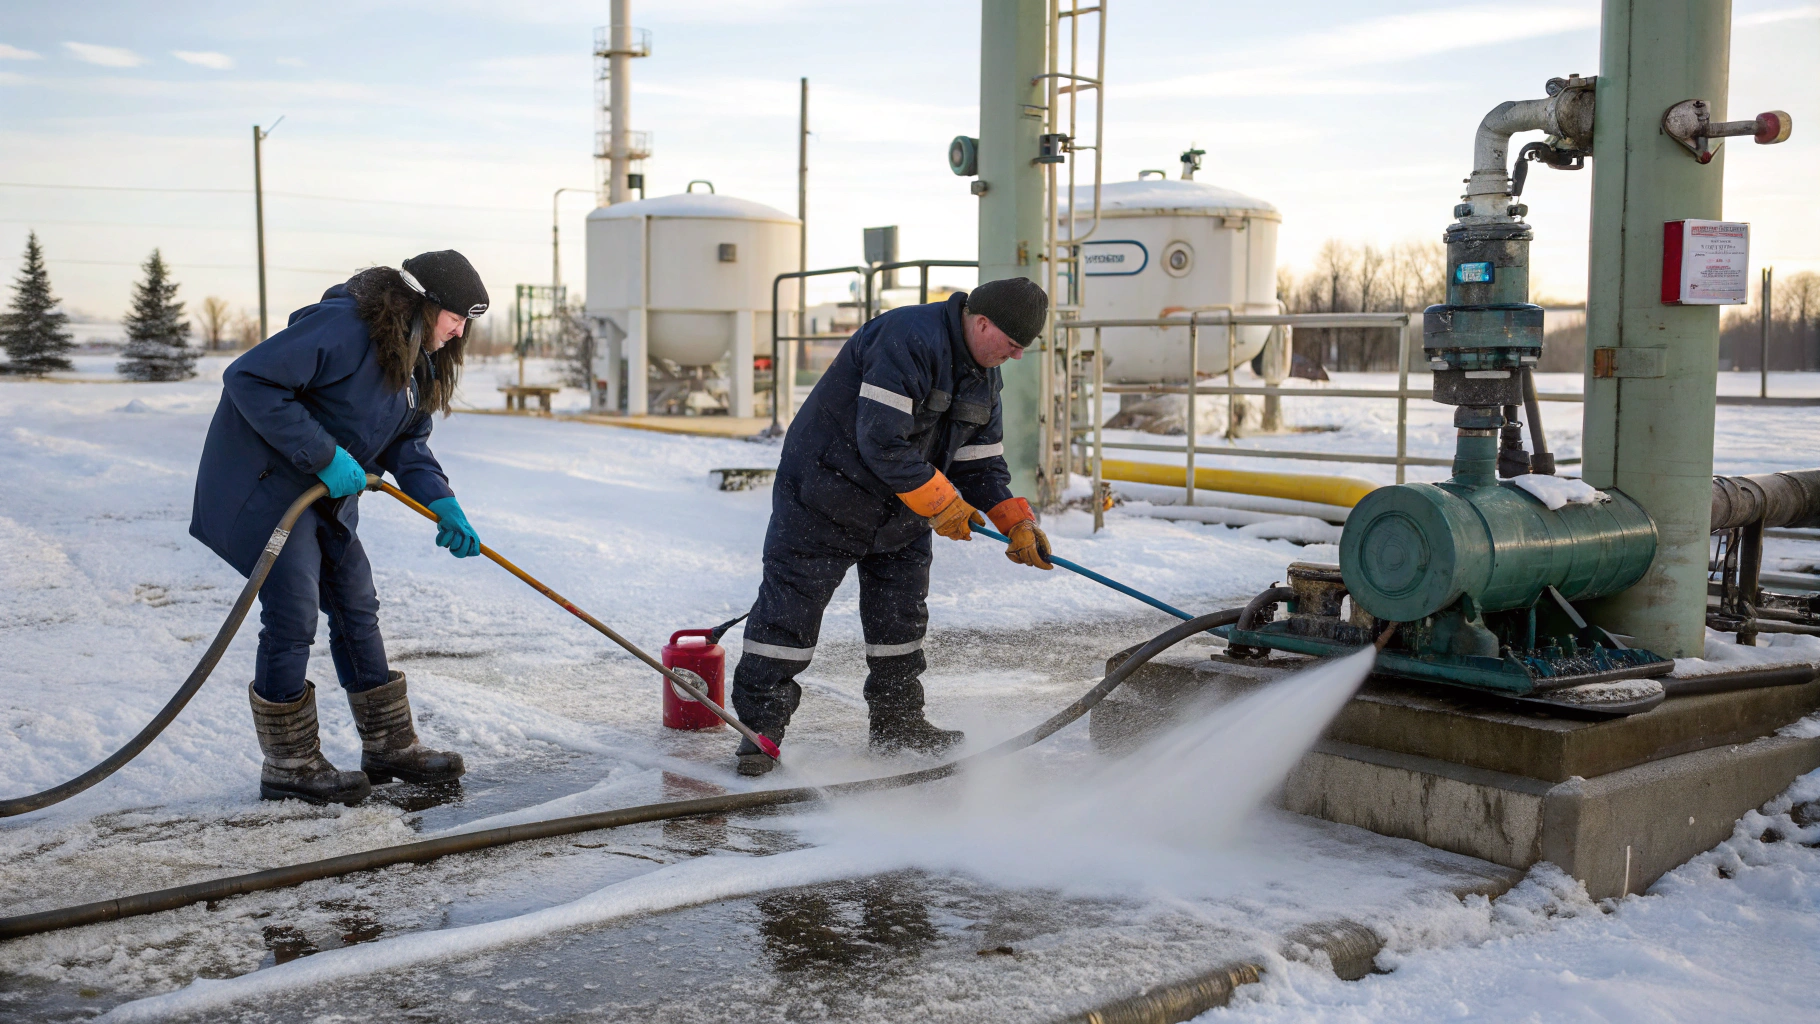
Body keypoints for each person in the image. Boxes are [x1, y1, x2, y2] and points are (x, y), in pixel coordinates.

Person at [190, 251, 488, 804]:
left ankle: (389, 745)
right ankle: (290, 762)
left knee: (355, 602)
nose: (459, 331)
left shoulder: (414, 357)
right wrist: (324, 453)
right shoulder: (346, 328)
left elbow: (407, 443)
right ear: (424, 303)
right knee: (293, 610)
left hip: (325, 494)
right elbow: (248, 378)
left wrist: (444, 503)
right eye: (455, 316)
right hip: (267, 487)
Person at [730, 276, 1055, 776]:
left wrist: (1014, 520)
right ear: (983, 323)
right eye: (1011, 346)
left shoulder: (984, 376)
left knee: (899, 621)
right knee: (789, 615)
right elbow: (880, 440)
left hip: (903, 511)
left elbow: (981, 463)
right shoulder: (907, 337)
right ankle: (760, 732)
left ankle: (898, 723)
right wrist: (944, 502)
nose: (1014, 358)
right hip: (825, 495)